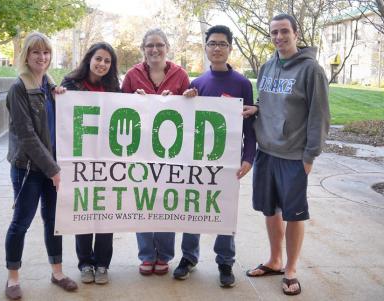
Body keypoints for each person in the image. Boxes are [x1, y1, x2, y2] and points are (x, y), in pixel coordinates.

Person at [243, 14, 330, 296]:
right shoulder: (267, 67)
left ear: (296, 32)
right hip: (266, 151)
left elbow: (319, 116)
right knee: (270, 210)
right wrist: (256, 109)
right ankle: (274, 260)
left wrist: (309, 156)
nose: (279, 37)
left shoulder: (311, 70)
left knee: (294, 214)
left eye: (284, 32)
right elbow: (266, 102)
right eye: (274, 33)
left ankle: (290, 269)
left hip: (294, 156)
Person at [172, 25, 256, 288]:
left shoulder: (242, 83)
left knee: (224, 209)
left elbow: (248, 126)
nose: (217, 48)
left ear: (230, 48)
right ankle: (188, 257)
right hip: (197, 161)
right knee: (192, 208)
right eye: (212, 43)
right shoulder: (196, 84)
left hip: (227, 162)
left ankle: (225, 261)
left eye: (222, 44)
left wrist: (248, 157)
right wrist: (186, 99)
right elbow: (183, 124)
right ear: (206, 47)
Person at [4, 32, 77, 300]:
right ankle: (13, 277)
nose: (42, 58)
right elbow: (27, 136)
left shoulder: (49, 85)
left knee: (53, 222)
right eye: (36, 52)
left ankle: (57, 272)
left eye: (46, 53)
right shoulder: (18, 88)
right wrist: (54, 170)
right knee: (20, 222)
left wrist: (62, 97)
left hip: (52, 167)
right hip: (28, 169)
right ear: (26, 55)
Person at [122, 28, 190, 275]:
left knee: (166, 201)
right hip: (140, 152)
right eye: (149, 45)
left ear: (167, 47)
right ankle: (147, 255)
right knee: (143, 202)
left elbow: (190, 110)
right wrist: (133, 99)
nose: (154, 49)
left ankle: (164, 255)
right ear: (143, 48)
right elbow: (119, 108)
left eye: (159, 45)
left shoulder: (181, 74)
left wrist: (184, 98)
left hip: (170, 152)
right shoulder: (132, 75)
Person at [61, 42, 120, 285]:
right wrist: (59, 97)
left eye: (107, 61)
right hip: (80, 162)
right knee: (83, 211)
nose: (102, 64)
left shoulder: (115, 89)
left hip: (107, 162)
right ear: (89, 59)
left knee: (106, 213)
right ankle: (85, 263)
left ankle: (103, 264)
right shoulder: (69, 85)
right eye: (99, 59)